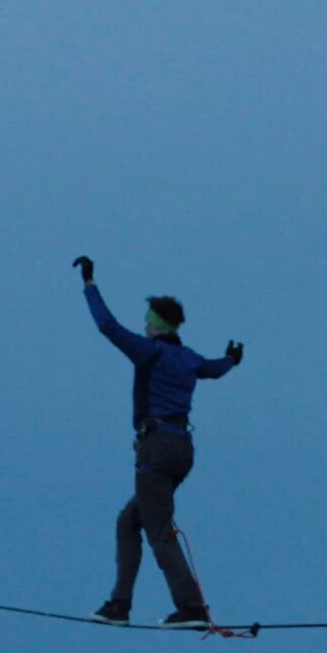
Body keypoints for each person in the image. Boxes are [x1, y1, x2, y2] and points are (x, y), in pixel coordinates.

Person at [76, 254, 245, 624]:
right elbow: (215, 370)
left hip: (155, 448)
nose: (144, 326)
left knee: (157, 529)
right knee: (129, 521)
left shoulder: (150, 351)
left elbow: (107, 325)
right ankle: (120, 603)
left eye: (148, 321)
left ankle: (190, 607)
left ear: (155, 325)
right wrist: (232, 359)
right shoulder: (188, 358)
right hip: (183, 451)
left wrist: (89, 284)